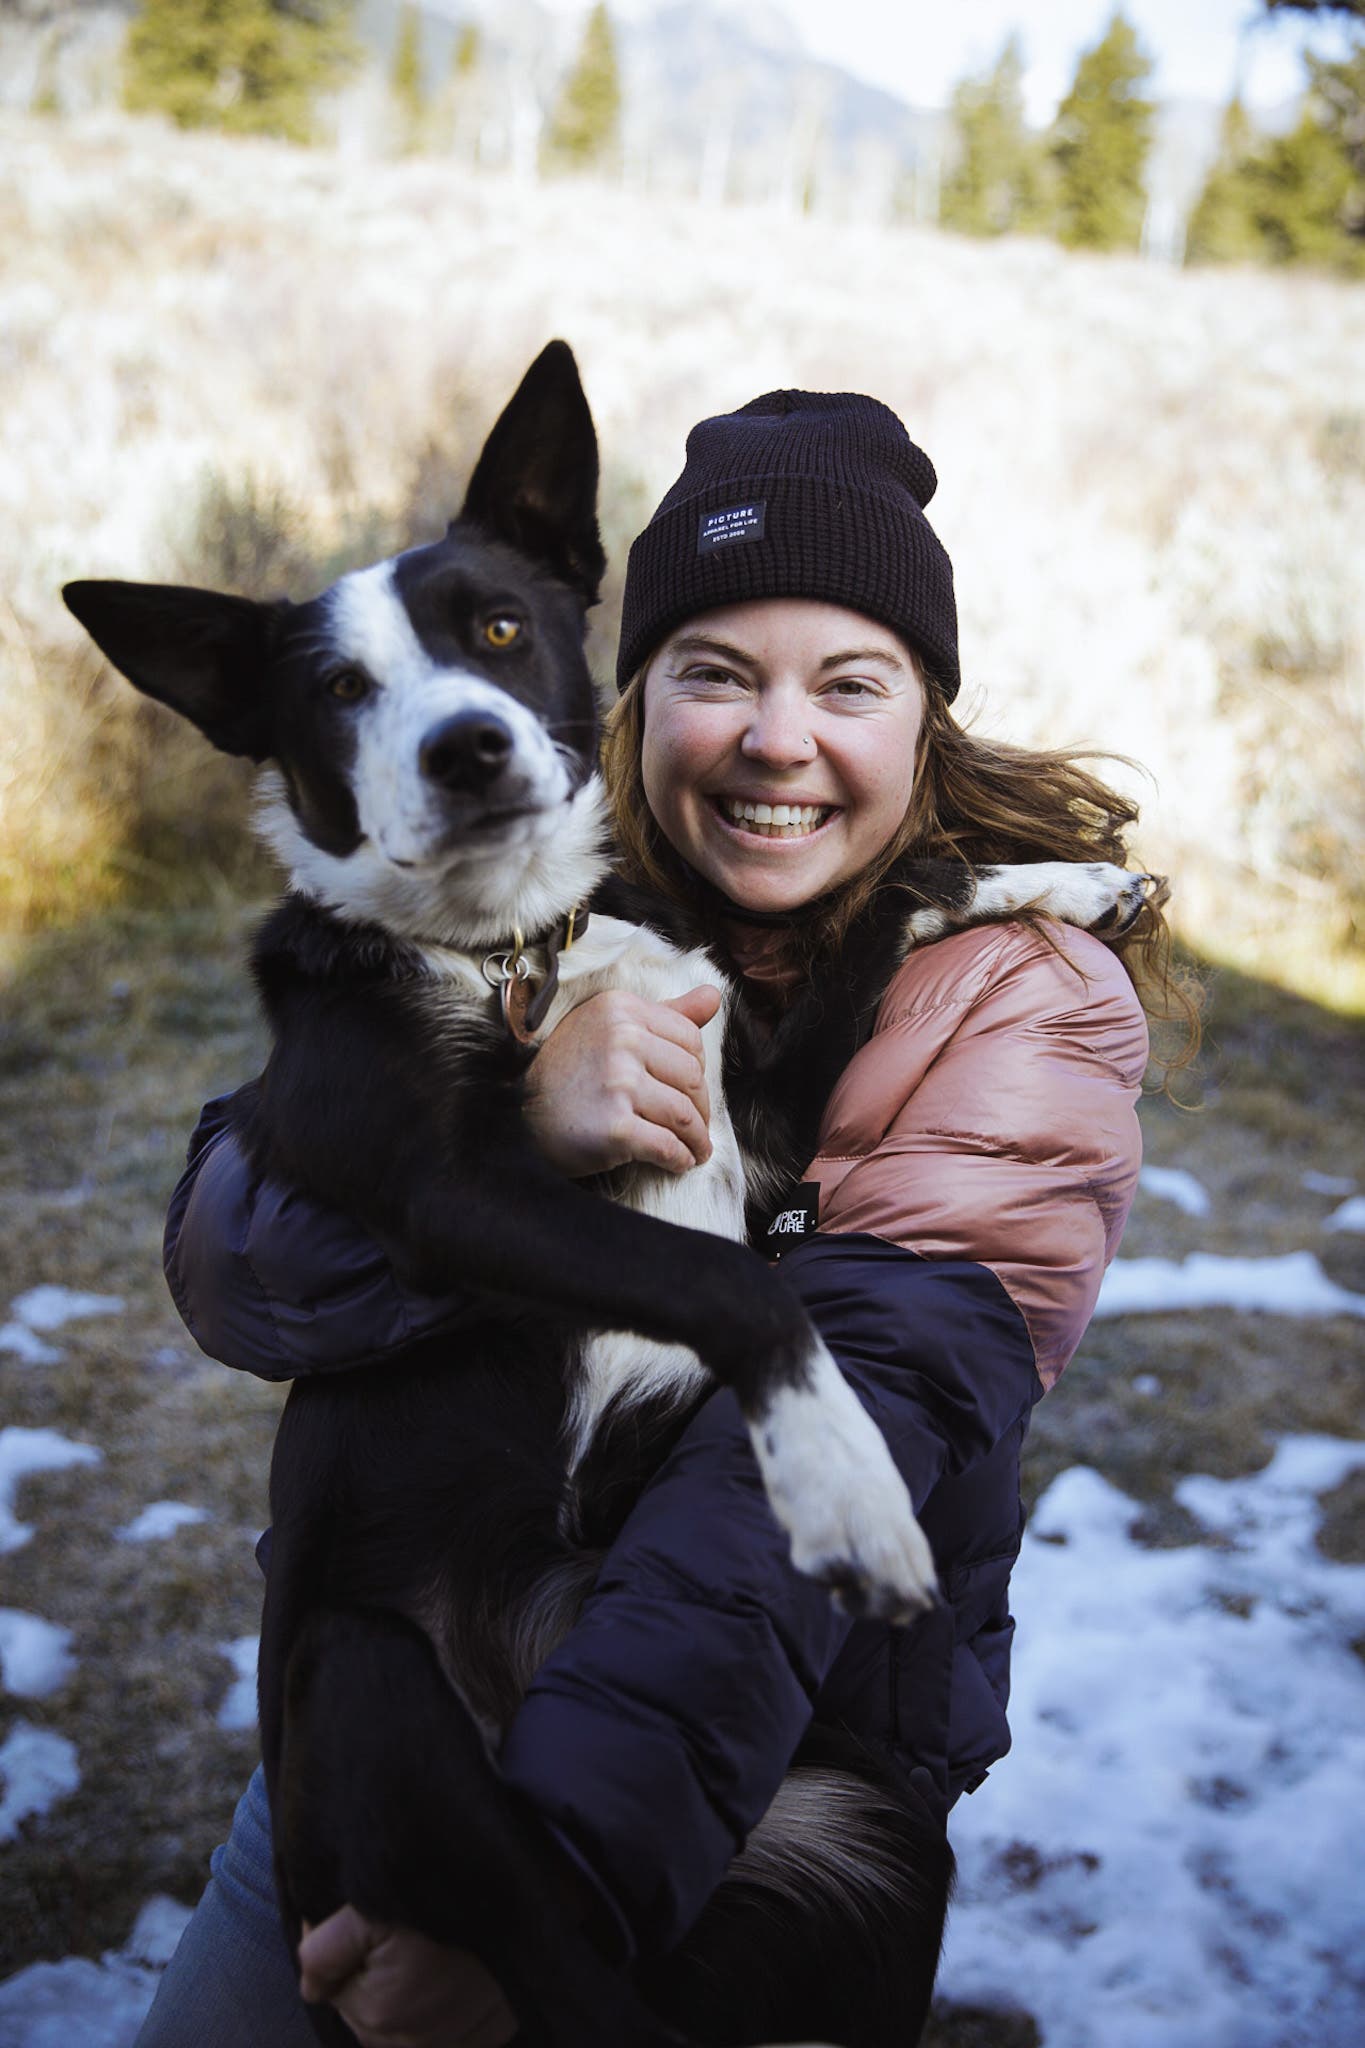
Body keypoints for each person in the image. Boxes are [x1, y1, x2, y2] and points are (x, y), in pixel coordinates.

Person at [136, 387, 1186, 2048]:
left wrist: (549, 1892)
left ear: (926, 712)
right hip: (393, 1717)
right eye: (715, 672)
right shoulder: (546, 882)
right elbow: (233, 1258)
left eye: (849, 682)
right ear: (633, 683)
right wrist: (524, 1139)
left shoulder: (1020, 1007)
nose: (776, 738)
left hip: (725, 1754)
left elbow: (875, 1383)